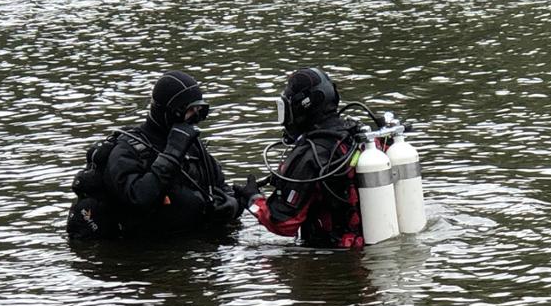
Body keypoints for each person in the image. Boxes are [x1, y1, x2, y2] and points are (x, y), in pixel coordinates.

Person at [66, 71, 253, 241]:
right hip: (142, 251)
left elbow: (220, 186)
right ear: (169, 111)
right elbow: (138, 197)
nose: (195, 119)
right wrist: (172, 154)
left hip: (189, 247)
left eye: (200, 112)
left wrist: (231, 205)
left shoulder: (193, 145)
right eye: (189, 111)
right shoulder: (128, 150)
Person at [249, 67, 368, 249]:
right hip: (368, 245)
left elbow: (282, 222)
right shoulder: (355, 136)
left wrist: (253, 200)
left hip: (333, 259)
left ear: (300, 108)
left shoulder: (310, 155)